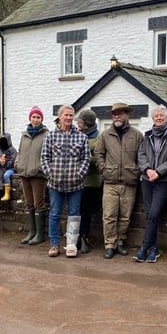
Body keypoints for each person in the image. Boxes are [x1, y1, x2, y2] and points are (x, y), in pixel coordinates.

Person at [94, 102, 144, 259]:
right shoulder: (104, 135)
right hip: (110, 182)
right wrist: (104, 170)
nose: (117, 116)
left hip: (129, 182)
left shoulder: (137, 135)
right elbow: (98, 154)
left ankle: (120, 241)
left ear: (127, 115)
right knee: (109, 215)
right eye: (114, 114)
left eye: (120, 113)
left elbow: (142, 157)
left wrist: (136, 171)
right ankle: (109, 244)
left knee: (125, 216)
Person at [41, 105, 90, 258]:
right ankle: (54, 244)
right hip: (55, 185)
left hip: (75, 185)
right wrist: (51, 174)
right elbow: (44, 158)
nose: (68, 118)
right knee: (54, 214)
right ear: (60, 116)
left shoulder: (82, 137)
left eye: (71, 115)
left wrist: (79, 174)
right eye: (66, 115)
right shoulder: (50, 136)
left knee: (74, 215)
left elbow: (86, 159)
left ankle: (71, 244)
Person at [134, 105, 167, 263]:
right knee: (149, 215)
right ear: (153, 119)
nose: (159, 118)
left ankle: (144, 248)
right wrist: (147, 170)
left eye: (162, 116)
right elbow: (141, 155)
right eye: (156, 116)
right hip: (147, 180)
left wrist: (158, 172)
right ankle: (153, 249)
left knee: (153, 214)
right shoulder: (147, 136)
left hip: (164, 181)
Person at [16, 106, 48, 245]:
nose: (35, 119)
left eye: (38, 117)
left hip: (38, 174)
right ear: (30, 118)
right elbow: (19, 151)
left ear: (41, 119)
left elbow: (48, 154)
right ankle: (32, 232)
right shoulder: (24, 135)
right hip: (24, 173)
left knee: (38, 203)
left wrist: (40, 168)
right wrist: (18, 164)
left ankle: (40, 234)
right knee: (29, 204)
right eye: (34, 117)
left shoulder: (46, 134)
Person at [76, 108, 102, 253]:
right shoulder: (77, 135)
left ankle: (85, 236)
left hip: (91, 180)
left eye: (80, 121)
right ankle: (76, 237)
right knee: (76, 210)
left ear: (87, 123)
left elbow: (98, 157)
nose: (78, 124)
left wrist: (83, 158)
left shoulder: (98, 137)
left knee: (85, 210)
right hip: (77, 179)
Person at [0, 133, 17, 202]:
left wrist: (5, 166)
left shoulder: (13, 150)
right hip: (2, 167)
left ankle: (7, 194)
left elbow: (12, 161)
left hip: (11, 169)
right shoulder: (1, 149)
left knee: (6, 175)